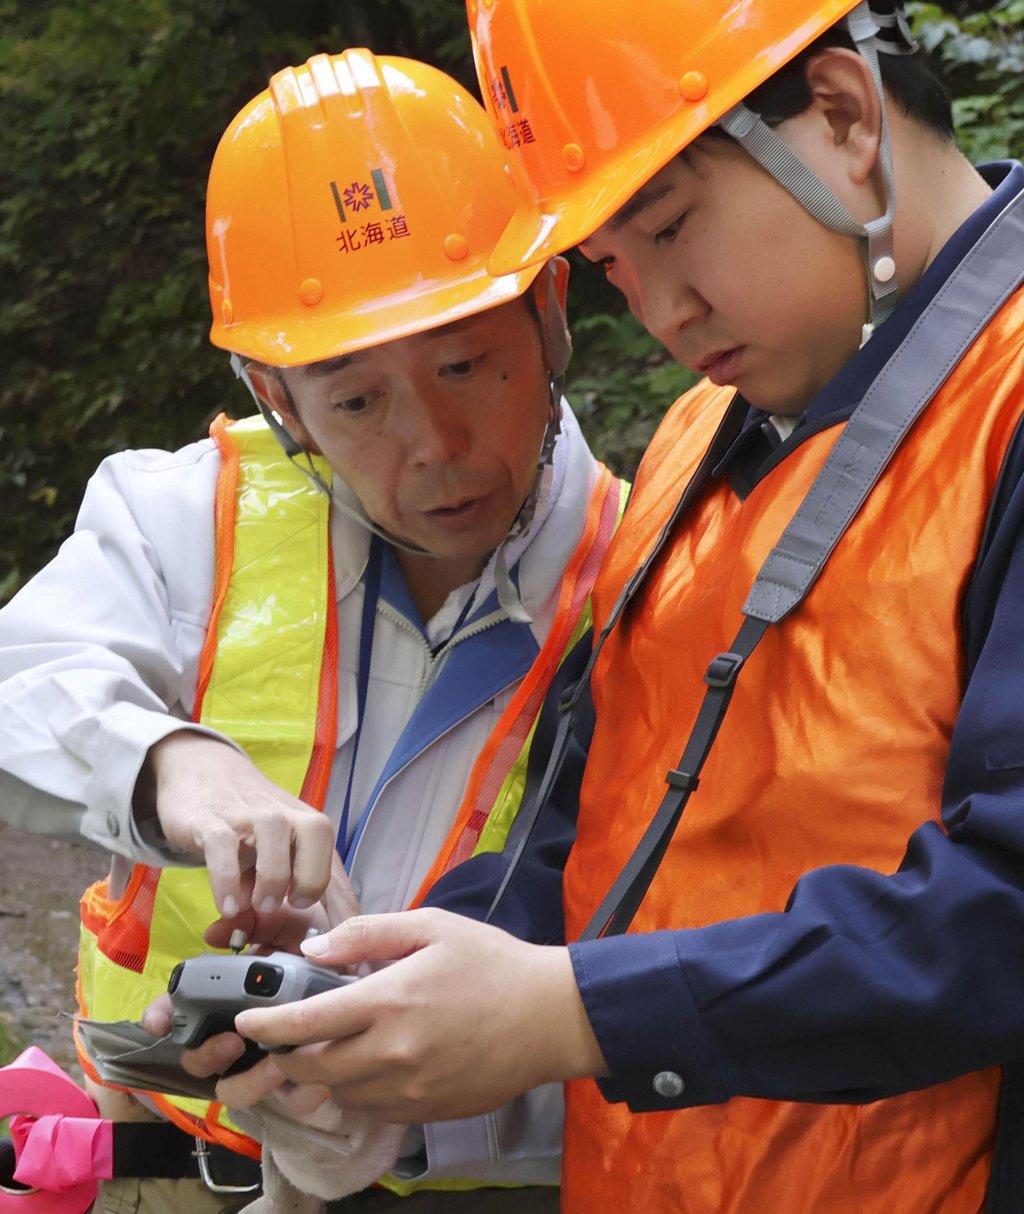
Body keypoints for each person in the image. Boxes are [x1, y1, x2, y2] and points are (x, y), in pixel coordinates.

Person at [209, 2, 1024, 1211]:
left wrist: (574, 1008)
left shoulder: (1001, 412)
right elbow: (590, 838)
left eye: (670, 226)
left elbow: (998, 918)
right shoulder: (701, 439)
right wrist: (372, 989)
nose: (657, 310)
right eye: (606, 267)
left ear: (845, 116)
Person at [0, 47, 626, 1212]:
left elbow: (664, 981)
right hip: (163, 1164)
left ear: (549, 314)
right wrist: (178, 768)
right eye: (356, 398)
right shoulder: (184, 515)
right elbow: (20, 677)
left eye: (466, 362)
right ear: (273, 394)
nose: (433, 442)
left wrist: (411, 1107)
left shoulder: (651, 577)